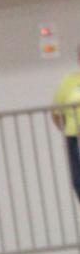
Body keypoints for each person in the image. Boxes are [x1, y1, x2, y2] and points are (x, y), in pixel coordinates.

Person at [51, 45, 80, 206]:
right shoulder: (69, 81)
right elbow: (56, 112)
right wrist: (66, 128)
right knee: (78, 181)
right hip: (74, 136)